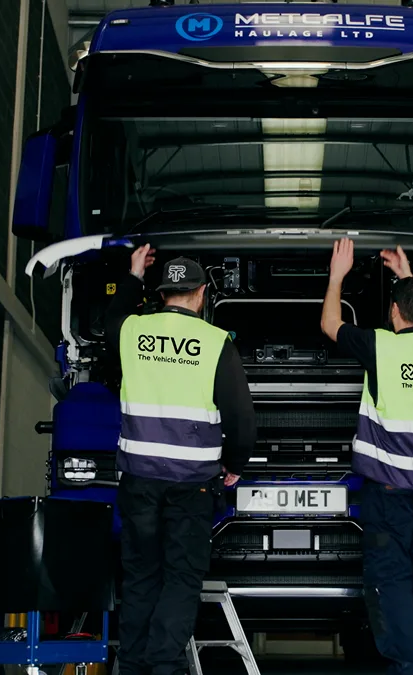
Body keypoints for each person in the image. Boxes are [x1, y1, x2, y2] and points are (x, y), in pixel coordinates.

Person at [104, 244, 256, 675]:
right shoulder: (214, 342)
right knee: (181, 579)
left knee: (140, 579)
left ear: (162, 293)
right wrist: (235, 463)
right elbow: (242, 415)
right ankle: (164, 666)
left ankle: (132, 667)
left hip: (138, 482)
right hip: (192, 486)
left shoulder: (133, 331)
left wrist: (132, 274)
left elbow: (111, 318)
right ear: (201, 293)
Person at [319, 238, 413, 675]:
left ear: (394, 313)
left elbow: (329, 324)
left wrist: (338, 274)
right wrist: (406, 275)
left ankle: (410, 665)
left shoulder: (383, 346)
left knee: (391, 578)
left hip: (391, 489)